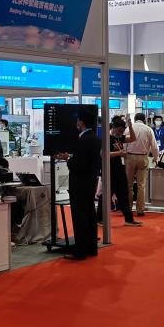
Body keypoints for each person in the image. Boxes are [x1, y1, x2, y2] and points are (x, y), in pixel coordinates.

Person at [56, 110, 101, 260]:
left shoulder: (83, 139)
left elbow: (79, 164)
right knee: (90, 214)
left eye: (77, 121)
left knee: (79, 216)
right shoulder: (95, 138)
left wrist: (68, 159)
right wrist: (71, 157)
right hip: (90, 181)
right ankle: (91, 248)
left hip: (79, 183)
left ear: (81, 122)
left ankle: (80, 251)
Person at [99, 116, 141, 227]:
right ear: (113, 128)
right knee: (106, 195)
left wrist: (130, 127)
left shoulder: (120, 138)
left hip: (120, 169)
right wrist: (119, 153)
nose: (120, 133)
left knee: (124, 194)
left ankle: (129, 219)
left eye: (122, 131)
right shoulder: (107, 138)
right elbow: (103, 154)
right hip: (109, 170)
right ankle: (99, 218)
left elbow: (133, 138)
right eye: (119, 131)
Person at [124, 113, 159, 217]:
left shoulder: (128, 129)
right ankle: (140, 210)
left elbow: (124, 144)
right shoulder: (148, 129)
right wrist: (156, 158)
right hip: (143, 157)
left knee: (129, 184)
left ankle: (128, 208)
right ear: (144, 120)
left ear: (135, 119)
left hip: (129, 157)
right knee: (141, 185)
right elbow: (154, 146)